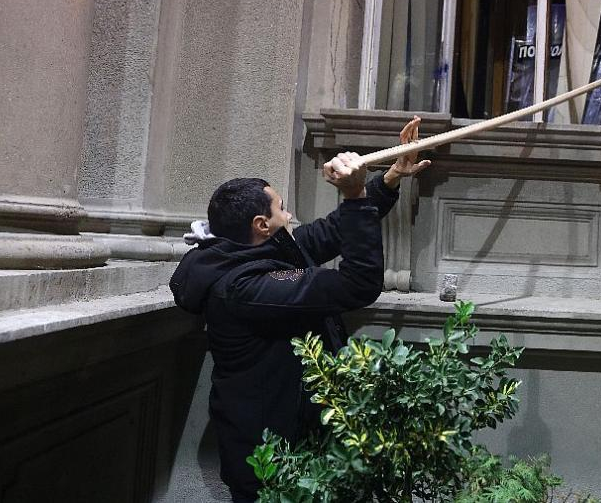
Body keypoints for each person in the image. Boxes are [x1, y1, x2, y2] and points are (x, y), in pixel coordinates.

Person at [169, 117, 431, 503]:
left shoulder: (258, 250)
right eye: (282, 209)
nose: (290, 216)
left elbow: (331, 232)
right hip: (270, 462)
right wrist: (354, 195)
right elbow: (358, 284)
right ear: (262, 224)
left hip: (294, 446)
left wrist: (389, 177)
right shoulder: (245, 288)